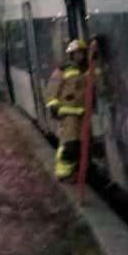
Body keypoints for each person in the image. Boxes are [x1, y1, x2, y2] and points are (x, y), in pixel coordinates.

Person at [45, 39, 87, 181]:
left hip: (81, 114)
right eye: (76, 53)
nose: (79, 56)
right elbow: (52, 91)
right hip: (68, 115)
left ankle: (70, 171)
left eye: (81, 53)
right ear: (71, 55)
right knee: (70, 145)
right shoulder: (63, 70)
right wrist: (54, 107)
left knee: (76, 145)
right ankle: (63, 173)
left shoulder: (84, 71)